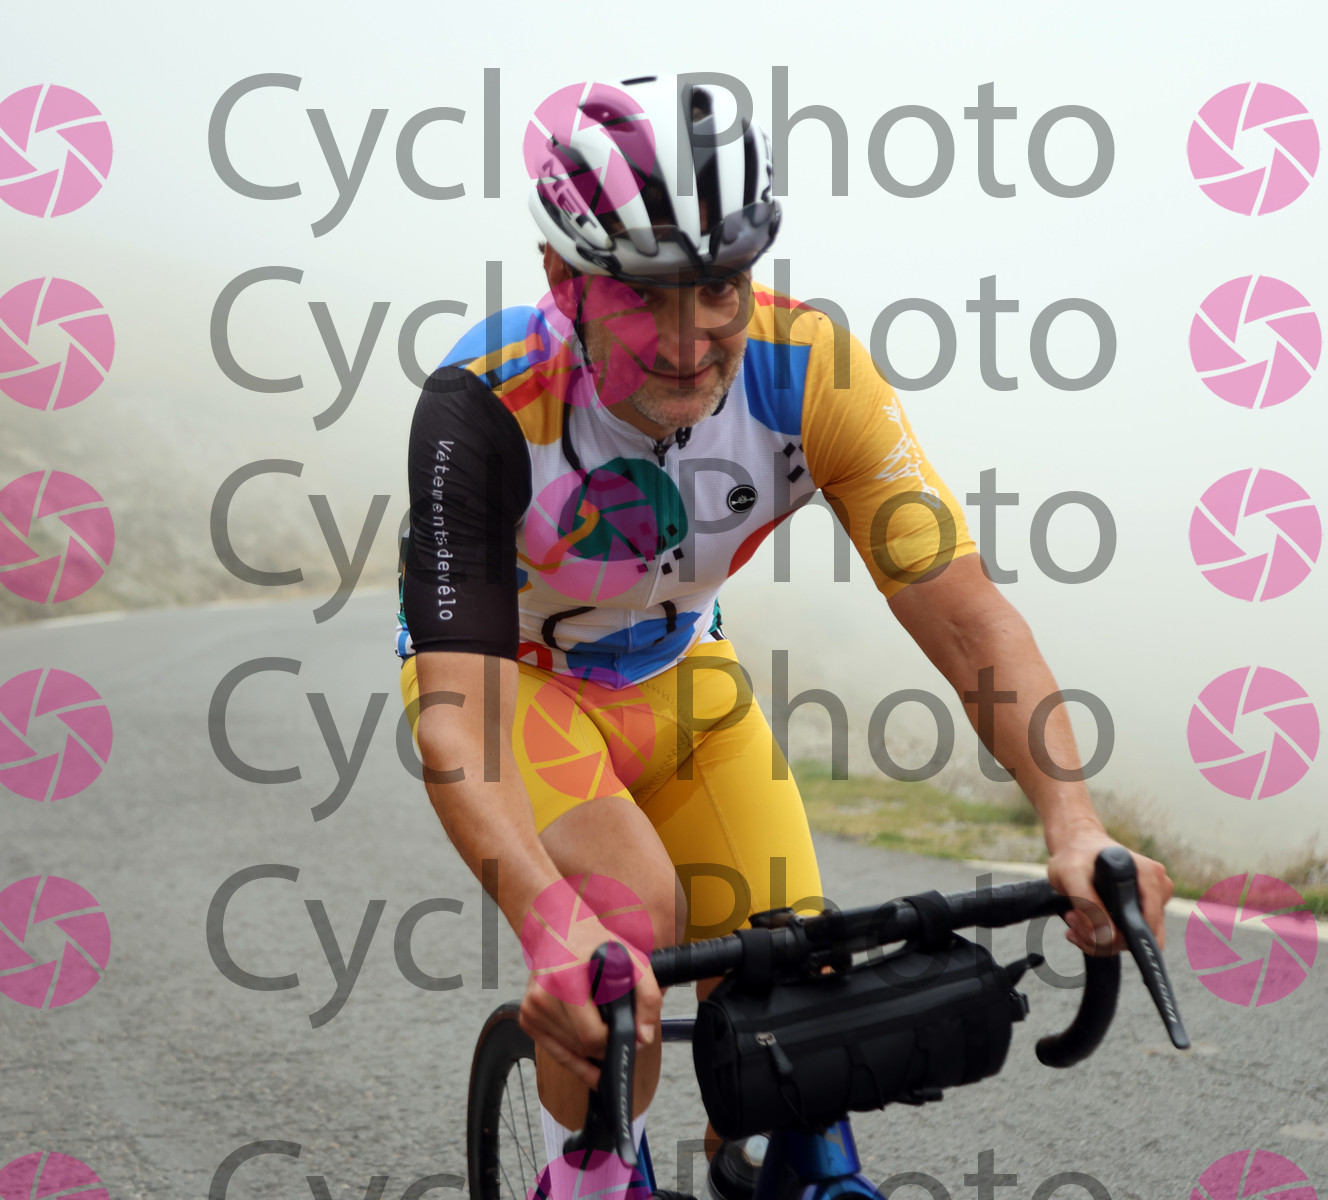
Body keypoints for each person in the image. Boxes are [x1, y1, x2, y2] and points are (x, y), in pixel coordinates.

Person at [397, 75, 1172, 1199]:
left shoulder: (811, 372)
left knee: (798, 967)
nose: (689, 339)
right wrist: (546, 923)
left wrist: (1072, 819)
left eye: (718, 285)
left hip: (681, 677)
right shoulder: (484, 403)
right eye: (644, 293)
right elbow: (457, 717)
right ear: (564, 279)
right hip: (522, 690)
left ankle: (756, 1158)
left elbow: (965, 615)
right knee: (622, 923)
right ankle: (589, 1175)